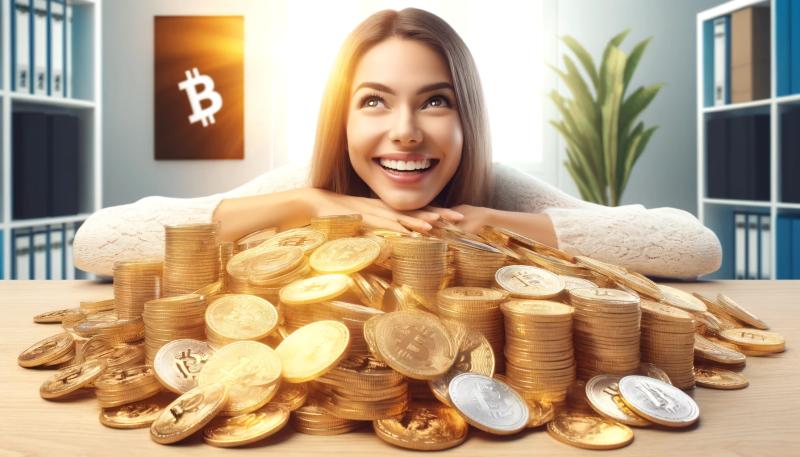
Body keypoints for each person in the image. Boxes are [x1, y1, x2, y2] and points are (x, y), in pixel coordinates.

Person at [74, 8, 721, 280]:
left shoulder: (496, 188)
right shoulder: (308, 185)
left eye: (435, 101)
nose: (406, 129)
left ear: (467, 118)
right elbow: (99, 240)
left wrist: (496, 224)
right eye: (375, 100)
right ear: (343, 120)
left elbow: (693, 243)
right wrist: (310, 206)